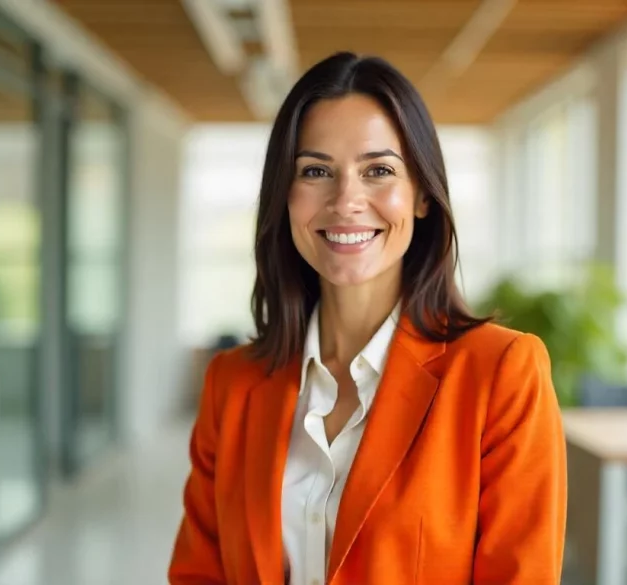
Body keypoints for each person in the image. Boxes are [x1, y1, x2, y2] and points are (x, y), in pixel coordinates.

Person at [169, 51, 566, 585]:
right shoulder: (231, 384)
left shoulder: (501, 374)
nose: (346, 200)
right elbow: (200, 575)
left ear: (422, 194)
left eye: (378, 170)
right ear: (285, 198)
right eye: (316, 171)